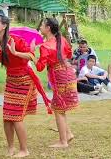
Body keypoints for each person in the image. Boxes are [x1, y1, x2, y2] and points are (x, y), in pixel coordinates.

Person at [0, 15, 51, 157]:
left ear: (4, 26)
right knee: (7, 116)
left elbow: (31, 56)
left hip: (25, 81)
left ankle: (24, 150)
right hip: (11, 81)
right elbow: (5, 60)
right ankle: (11, 148)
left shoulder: (16, 40)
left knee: (16, 117)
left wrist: (15, 52)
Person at [35, 18, 79, 148]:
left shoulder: (45, 46)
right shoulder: (62, 40)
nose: (40, 27)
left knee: (58, 108)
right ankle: (68, 134)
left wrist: (32, 54)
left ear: (48, 28)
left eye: (42, 25)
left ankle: (63, 141)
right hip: (68, 73)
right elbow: (69, 53)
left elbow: (39, 67)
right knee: (61, 107)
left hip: (58, 76)